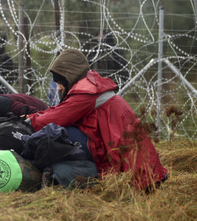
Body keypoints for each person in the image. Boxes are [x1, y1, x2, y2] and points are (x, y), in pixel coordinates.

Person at [27, 49, 168, 190]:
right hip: (136, 161)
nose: (58, 88)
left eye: (60, 82)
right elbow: (61, 110)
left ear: (69, 77)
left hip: (138, 171)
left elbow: (56, 118)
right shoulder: (91, 85)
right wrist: (35, 115)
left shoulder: (86, 94)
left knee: (58, 133)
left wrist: (28, 122)